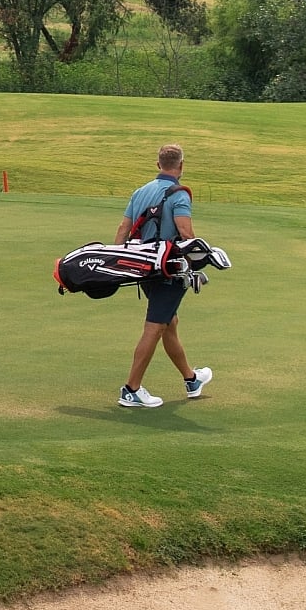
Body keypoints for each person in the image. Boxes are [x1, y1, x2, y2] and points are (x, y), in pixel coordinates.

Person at [115, 142, 213, 411]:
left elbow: (123, 229)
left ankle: (192, 380)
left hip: (145, 269)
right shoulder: (179, 194)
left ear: (158, 164)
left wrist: (120, 263)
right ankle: (131, 389)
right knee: (155, 326)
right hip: (169, 272)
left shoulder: (141, 192)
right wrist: (199, 263)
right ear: (181, 166)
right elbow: (186, 234)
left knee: (169, 322)